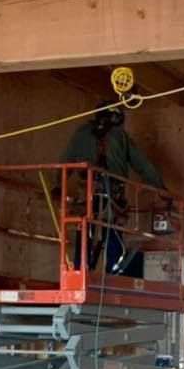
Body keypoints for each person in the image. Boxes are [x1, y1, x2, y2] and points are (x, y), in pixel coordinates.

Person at [60, 102, 166, 276]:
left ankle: (80, 268)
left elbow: (66, 161)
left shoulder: (82, 133)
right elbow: (143, 166)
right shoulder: (120, 137)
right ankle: (113, 267)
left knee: (85, 226)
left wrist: (58, 185)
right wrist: (162, 190)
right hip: (112, 190)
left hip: (86, 189)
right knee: (112, 227)